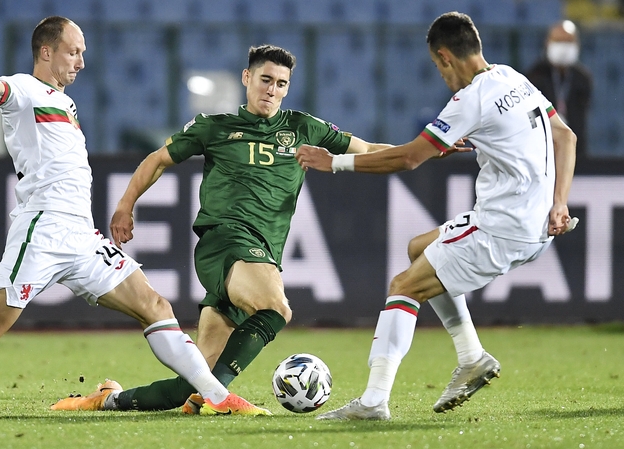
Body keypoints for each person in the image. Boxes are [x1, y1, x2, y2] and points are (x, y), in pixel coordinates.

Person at [0, 16, 269, 417]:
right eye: (73, 52)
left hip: (81, 237)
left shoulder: (64, 103)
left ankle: (217, 397)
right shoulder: (24, 89)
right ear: (46, 52)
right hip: (41, 231)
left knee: (155, 306)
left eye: (82, 53)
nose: (81, 61)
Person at [49, 44, 394, 413]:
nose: (272, 90)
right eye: (265, 80)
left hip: (261, 254)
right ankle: (221, 398)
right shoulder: (215, 127)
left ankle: (108, 399)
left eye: (281, 83)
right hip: (226, 242)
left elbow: (368, 148)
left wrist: (424, 149)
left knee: (192, 385)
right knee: (276, 308)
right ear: (247, 78)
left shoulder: (301, 127)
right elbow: (158, 159)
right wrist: (125, 205)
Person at [295, 11, 576, 420]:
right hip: (538, 222)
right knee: (418, 249)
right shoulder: (513, 78)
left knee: (404, 287)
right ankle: (472, 356)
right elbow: (565, 135)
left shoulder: (470, 99)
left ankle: (373, 400)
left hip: (502, 227)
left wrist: (332, 163)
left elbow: (409, 158)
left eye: (436, 66)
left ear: (445, 57)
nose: (441, 76)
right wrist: (561, 201)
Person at [526, 20, 592, 161]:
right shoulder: (533, 77)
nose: (563, 47)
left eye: (568, 41)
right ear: (547, 43)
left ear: (577, 44)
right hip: (541, 152)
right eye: (558, 41)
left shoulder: (583, 78)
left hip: (575, 151)